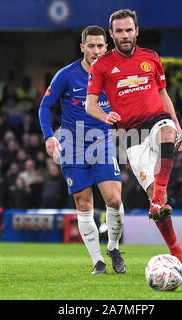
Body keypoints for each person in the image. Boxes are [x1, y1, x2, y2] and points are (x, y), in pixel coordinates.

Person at [85, 9, 182, 279]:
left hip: (158, 122)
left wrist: (177, 124)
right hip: (132, 137)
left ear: (137, 31)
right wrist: (105, 115)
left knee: (167, 133)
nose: (125, 35)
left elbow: (163, 94)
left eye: (129, 30)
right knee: (160, 196)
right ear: (112, 34)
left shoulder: (152, 58)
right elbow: (90, 104)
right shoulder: (102, 65)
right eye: (119, 31)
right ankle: (170, 237)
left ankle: (175, 253)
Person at [38, 25, 125, 275]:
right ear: (82, 47)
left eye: (100, 46)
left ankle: (113, 247)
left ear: (106, 47)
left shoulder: (115, 74)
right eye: (91, 46)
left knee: (114, 199)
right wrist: (49, 137)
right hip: (73, 147)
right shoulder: (66, 75)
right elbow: (45, 107)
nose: (96, 51)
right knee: (84, 203)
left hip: (102, 143)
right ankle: (98, 260)